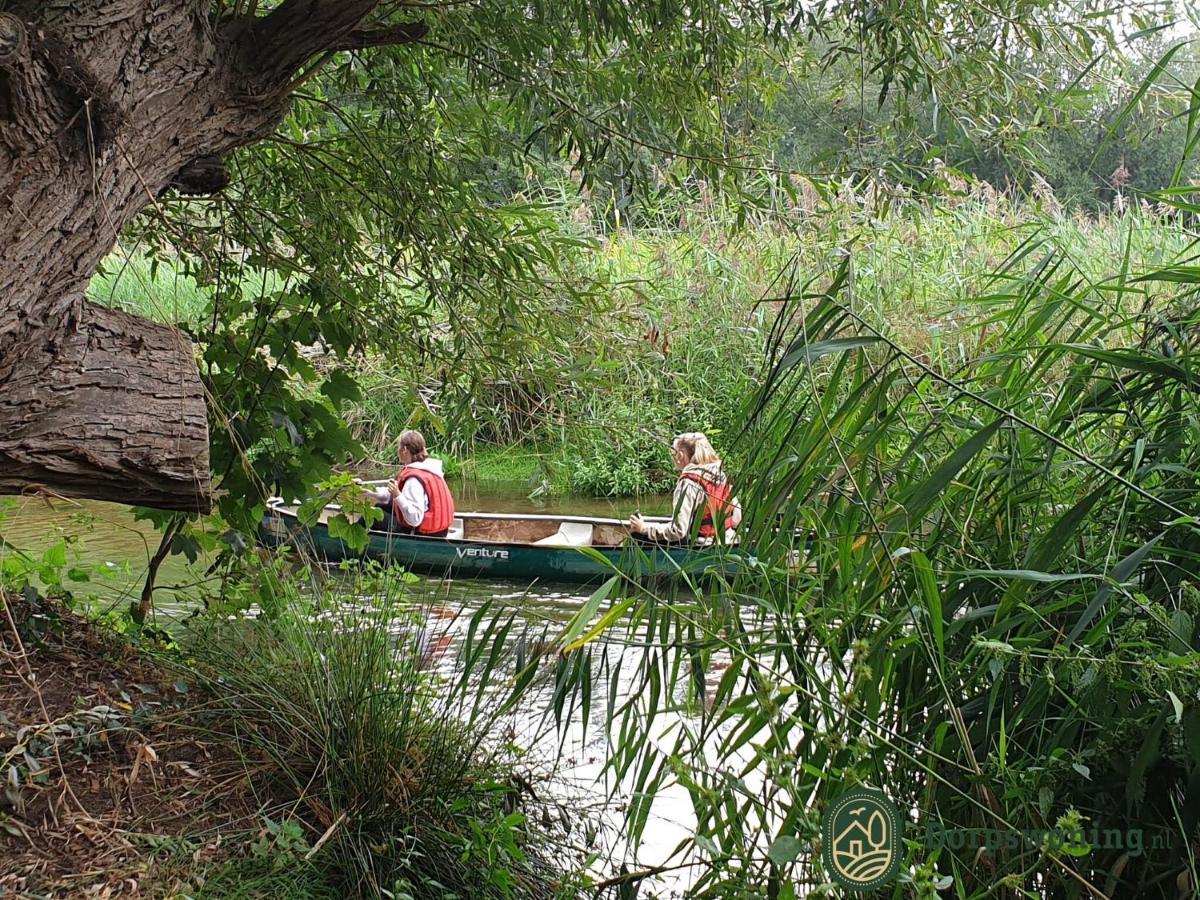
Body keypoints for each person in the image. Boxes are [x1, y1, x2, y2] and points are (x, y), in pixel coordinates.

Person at [629, 432, 741, 545]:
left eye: (674, 454)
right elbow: (737, 519)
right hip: (729, 541)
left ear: (680, 455)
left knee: (637, 535)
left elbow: (678, 531)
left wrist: (644, 528)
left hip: (701, 545)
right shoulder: (721, 477)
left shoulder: (688, 484)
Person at [364, 430, 455, 537]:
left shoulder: (413, 480)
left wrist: (397, 495)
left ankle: (350, 544)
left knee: (372, 513)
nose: (397, 450)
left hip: (422, 534)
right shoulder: (428, 469)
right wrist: (366, 489)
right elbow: (390, 494)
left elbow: (415, 519)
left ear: (405, 450)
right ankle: (374, 540)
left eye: (398, 447)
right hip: (439, 531)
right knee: (380, 507)